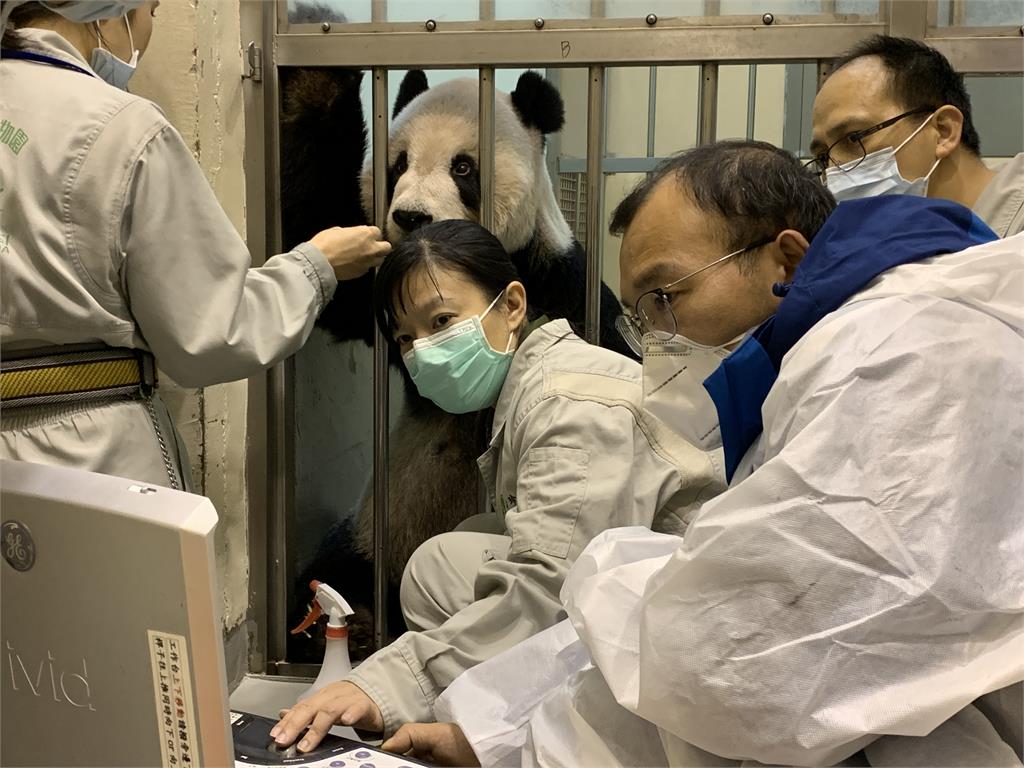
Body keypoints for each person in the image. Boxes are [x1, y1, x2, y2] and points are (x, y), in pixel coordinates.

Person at [384, 141, 1023, 767]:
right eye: (641, 311)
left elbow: (734, 655)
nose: (657, 336)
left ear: (787, 262)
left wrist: (504, 736)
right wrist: (493, 730)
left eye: (667, 295)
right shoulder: (828, 348)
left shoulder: (888, 354)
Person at [270, 219, 723, 752]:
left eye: (441, 320)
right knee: (448, 558)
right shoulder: (538, 381)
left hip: (693, 638)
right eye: (407, 338)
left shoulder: (570, 407)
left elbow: (548, 587)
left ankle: (517, 738)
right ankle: (486, 720)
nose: (423, 351)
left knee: (473, 571)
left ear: (511, 305)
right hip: (642, 590)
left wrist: (382, 683)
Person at [0, 0, 390, 488]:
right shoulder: (122, 129)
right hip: (90, 460)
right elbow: (208, 333)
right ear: (104, 12)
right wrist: (317, 267)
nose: (145, 36)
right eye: (151, 13)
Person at [811, 34, 1023, 237]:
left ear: (944, 131)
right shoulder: (896, 242)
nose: (833, 175)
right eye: (822, 159)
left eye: (854, 138)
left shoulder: (1014, 237)